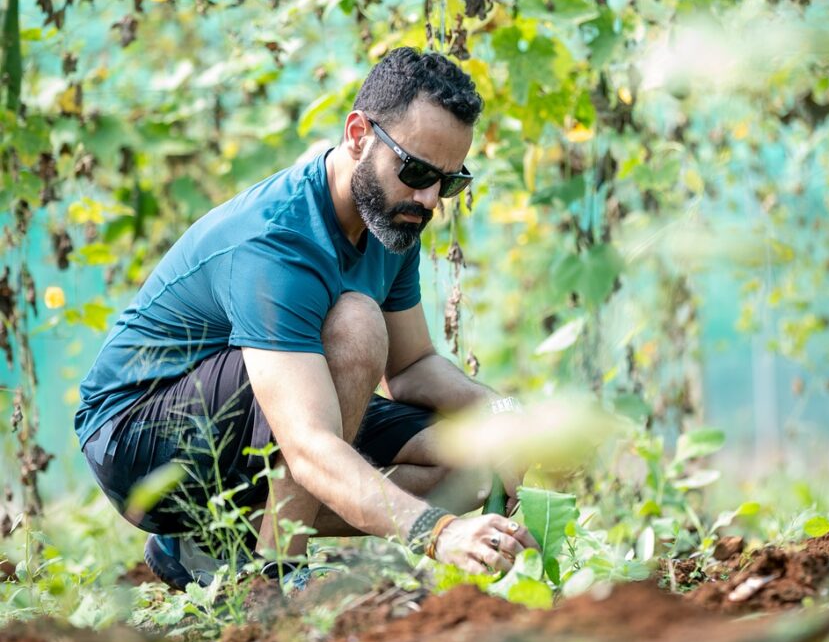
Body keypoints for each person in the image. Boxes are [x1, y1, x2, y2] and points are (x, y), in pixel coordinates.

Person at [75, 47, 537, 590]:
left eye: (449, 181)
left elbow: (412, 368)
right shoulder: (278, 240)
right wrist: (438, 533)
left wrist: (507, 412)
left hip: (265, 408)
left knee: (469, 466)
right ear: (359, 134)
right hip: (137, 437)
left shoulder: (393, 219)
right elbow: (309, 445)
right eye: (415, 170)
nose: (430, 198)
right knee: (356, 322)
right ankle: (275, 576)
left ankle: (216, 540)